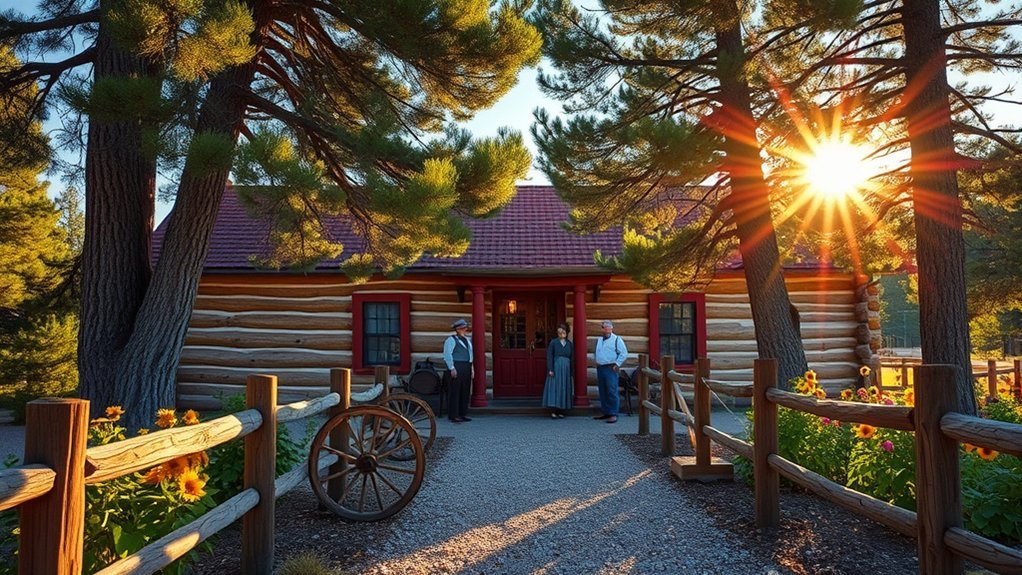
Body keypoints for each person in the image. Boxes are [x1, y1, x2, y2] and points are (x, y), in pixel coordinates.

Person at [593, 319, 627, 424]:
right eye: (604, 326)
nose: (606, 328)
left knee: (611, 391)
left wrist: (617, 364)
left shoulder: (617, 339)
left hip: (611, 368)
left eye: (608, 326)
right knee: (603, 391)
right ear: (602, 329)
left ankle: (613, 413)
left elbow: (624, 353)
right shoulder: (599, 339)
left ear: (612, 328)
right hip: (601, 367)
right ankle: (606, 412)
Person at [442, 318, 473, 423]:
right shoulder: (450, 340)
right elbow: (447, 355)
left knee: (465, 390)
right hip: (457, 365)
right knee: (455, 391)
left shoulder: (468, 340)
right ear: (458, 329)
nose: (465, 329)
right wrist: (452, 368)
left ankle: (463, 413)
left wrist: (471, 368)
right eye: (463, 328)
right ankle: (454, 415)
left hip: (466, 366)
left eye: (465, 328)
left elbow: (470, 355)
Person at [541, 323, 573, 418]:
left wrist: (571, 371)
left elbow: (572, 358)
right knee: (555, 388)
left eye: (563, 332)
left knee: (564, 387)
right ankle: (554, 410)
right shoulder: (553, 342)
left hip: (566, 368)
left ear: (566, 332)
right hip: (556, 367)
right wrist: (550, 369)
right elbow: (549, 356)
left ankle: (562, 410)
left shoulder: (569, 344)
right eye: (559, 332)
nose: (561, 334)